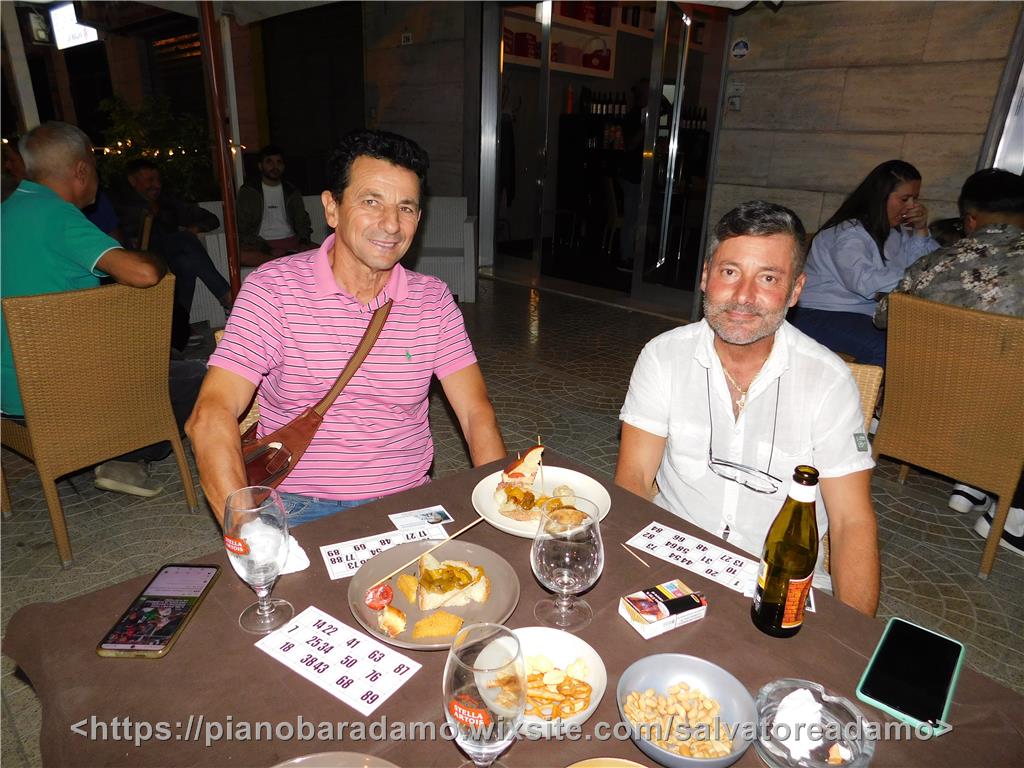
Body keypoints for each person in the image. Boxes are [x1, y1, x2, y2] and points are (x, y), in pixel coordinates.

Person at [186, 129, 507, 526]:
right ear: (332, 208)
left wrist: (501, 512)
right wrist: (248, 532)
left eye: (406, 208)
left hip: (409, 499)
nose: (391, 225)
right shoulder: (273, 290)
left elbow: (476, 413)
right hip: (301, 506)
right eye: (371, 202)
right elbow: (210, 415)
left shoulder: (433, 300)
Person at [615, 200, 880, 616]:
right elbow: (633, 477)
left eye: (768, 278)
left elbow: (851, 522)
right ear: (706, 276)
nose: (743, 297)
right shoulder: (663, 356)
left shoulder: (827, 380)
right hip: (673, 559)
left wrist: (856, 638)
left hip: (778, 583)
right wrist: (630, 567)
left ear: (795, 290)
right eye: (730, 272)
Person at [0, 122, 206, 498]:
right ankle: (126, 455)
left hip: (10, 398)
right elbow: (143, 274)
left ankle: (118, 447)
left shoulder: (8, 211)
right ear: (81, 170)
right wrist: (157, 258)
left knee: (165, 362)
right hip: (60, 399)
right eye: (95, 170)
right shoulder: (56, 215)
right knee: (201, 376)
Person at [875, 168, 1024, 557]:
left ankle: (972, 483)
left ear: (970, 220)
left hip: (925, 411)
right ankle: (1014, 516)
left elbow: (884, 316)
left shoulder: (933, 264)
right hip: (1003, 424)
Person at [791, 160, 939, 365]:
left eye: (915, 198)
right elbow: (865, 282)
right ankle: (863, 386)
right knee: (887, 348)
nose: (912, 206)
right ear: (880, 197)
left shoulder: (897, 232)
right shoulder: (848, 234)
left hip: (865, 314)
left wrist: (921, 230)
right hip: (821, 312)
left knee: (923, 342)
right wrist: (919, 278)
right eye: (905, 199)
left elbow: (929, 265)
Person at [111, 158, 233, 320]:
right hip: (137, 261)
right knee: (185, 244)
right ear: (132, 181)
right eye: (150, 180)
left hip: (167, 258)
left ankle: (178, 324)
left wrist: (197, 227)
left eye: (158, 180)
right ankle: (228, 298)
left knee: (185, 262)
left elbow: (211, 218)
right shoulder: (119, 205)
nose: (157, 185)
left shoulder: (166, 202)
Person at [236, 144, 316, 266]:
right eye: (269, 162)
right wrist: (267, 249)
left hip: (291, 241)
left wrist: (303, 242)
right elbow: (242, 229)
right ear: (260, 166)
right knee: (241, 256)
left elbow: (302, 222)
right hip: (260, 245)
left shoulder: (292, 191)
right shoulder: (248, 191)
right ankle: (287, 260)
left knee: (327, 253)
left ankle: (283, 260)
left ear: (284, 166)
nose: (275, 166)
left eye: (279, 162)